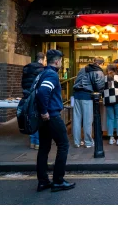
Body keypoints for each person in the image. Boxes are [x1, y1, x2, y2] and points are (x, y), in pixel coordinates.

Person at [36, 49, 75, 192]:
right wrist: (45, 111)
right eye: (61, 60)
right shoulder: (52, 75)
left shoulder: (43, 73)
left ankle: (43, 181)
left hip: (44, 117)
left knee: (44, 148)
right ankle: (58, 181)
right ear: (57, 61)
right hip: (51, 116)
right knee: (63, 144)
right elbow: (43, 92)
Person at [72, 57, 105, 148]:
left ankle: (77, 142)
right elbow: (100, 86)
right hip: (87, 96)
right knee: (88, 120)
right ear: (101, 64)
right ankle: (88, 142)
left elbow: (77, 81)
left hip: (77, 96)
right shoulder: (98, 71)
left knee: (77, 120)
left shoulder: (82, 69)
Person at [21, 52, 45, 150]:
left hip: (27, 95)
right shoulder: (42, 69)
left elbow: (23, 83)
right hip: (37, 96)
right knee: (38, 119)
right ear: (42, 59)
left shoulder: (27, 68)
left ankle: (32, 142)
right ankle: (38, 143)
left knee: (31, 117)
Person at [104, 64, 118, 146]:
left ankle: (111, 139)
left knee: (110, 119)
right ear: (115, 70)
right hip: (117, 99)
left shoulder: (104, 78)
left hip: (107, 100)